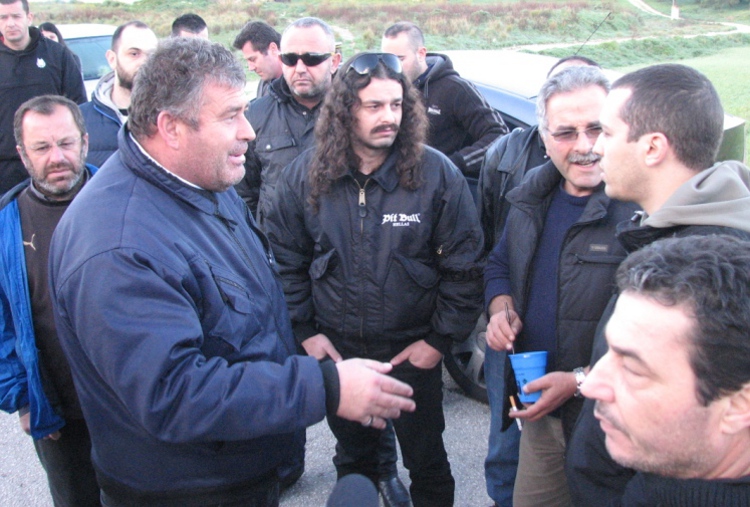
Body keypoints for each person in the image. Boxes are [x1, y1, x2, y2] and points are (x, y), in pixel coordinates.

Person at [47, 37, 415, 507]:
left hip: (238, 467)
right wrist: (325, 386)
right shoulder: (117, 246)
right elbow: (174, 395)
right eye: (230, 116)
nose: (249, 132)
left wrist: (302, 339)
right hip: (187, 491)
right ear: (171, 127)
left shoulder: (204, 180)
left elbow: (247, 302)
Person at [264, 52, 485, 507]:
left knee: (428, 462)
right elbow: (285, 259)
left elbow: (464, 266)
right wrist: (305, 331)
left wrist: (438, 341)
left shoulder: (435, 173)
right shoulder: (306, 175)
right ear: (345, 111)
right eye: (374, 106)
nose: (389, 117)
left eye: (397, 104)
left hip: (412, 352)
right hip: (340, 353)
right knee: (355, 460)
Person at [565, 63, 750, 506]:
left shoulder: (713, 265)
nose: (594, 148)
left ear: (652, 147)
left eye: (607, 133)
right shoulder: (661, 232)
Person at [483, 66, 638, 507]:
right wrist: (500, 308)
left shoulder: (640, 211)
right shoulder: (531, 198)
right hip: (544, 418)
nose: (585, 146)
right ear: (544, 139)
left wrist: (578, 381)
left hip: (614, 419)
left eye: (597, 128)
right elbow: (499, 263)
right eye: (566, 133)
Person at [581, 234, 750, 505]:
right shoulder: (656, 481)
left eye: (633, 370)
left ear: (740, 405)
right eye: (608, 351)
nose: (589, 386)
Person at [0, 95, 99, 506]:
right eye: (41, 147)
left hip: (135, 405)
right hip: (60, 415)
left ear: (85, 142)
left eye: (66, 143)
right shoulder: (6, 226)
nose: (57, 157)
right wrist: (23, 399)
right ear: (23, 155)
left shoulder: (127, 202)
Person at [236, 17, 341, 222]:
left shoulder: (357, 114)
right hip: (275, 239)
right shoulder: (255, 115)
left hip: (337, 238)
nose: (300, 68)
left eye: (311, 58)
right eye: (290, 59)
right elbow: (243, 191)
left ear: (334, 62)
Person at [381, 21, 507, 182]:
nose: (392, 68)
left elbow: (499, 135)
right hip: (395, 185)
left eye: (400, 59)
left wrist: (452, 165)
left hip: (440, 187)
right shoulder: (384, 90)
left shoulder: (455, 89)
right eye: (386, 60)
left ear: (421, 53)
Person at [0, 0, 86, 194]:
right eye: (3, 18)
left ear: (29, 18)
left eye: (16, 16)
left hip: (52, 162)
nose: (10, 23)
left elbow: (78, 106)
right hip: (5, 169)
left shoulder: (57, 54)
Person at [79, 21, 157, 167]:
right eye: (134, 54)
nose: (144, 62)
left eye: (151, 55)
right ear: (112, 59)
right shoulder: (80, 119)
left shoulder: (172, 116)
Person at [232, 20, 282, 99]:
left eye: (253, 59)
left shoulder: (299, 84)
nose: (251, 68)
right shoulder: (264, 85)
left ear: (273, 49)